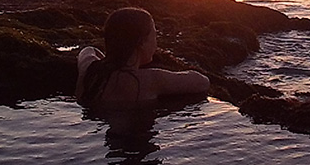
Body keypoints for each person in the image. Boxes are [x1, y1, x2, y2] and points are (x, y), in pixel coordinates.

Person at [75, 7, 210, 110]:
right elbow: (202, 81)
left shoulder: (88, 69)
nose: (156, 42)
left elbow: (88, 50)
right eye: (154, 35)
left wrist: (112, 61)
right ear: (141, 42)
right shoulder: (150, 80)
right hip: (136, 139)